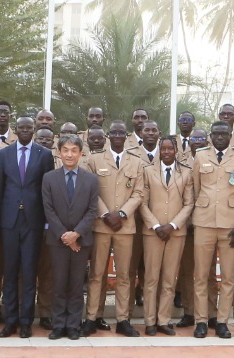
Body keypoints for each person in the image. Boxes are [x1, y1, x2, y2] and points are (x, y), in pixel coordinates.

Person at [191, 122, 234, 339]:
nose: (220, 137)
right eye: (216, 134)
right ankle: (201, 321)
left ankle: (221, 322)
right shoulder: (200, 156)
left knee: (228, 277)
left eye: (224, 134)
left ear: (231, 135)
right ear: (210, 136)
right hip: (204, 222)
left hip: (231, 226)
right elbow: (196, 189)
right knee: (201, 275)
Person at [85, 121, 144, 336]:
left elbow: (138, 193)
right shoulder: (94, 159)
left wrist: (121, 214)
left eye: (121, 132)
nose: (117, 135)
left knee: (124, 275)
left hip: (125, 226)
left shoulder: (136, 162)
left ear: (126, 136)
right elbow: (91, 190)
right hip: (101, 225)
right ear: (108, 135)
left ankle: (122, 319)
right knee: (96, 274)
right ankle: (92, 317)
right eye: (114, 132)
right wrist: (105, 214)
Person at [0, 116, 54, 338]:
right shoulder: (4, 154)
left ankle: (27, 321)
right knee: (9, 273)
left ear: (34, 129)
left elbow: (47, 190)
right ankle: (10, 320)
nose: (25, 131)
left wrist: (47, 221)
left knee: (30, 273)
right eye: (21, 128)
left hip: (34, 221)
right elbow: (0, 189)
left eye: (29, 128)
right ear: (15, 129)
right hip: (9, 221)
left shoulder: (45, 155)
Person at [42, 135, 97, 340]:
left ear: (81, 154)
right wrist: (65, 235)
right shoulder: (49, 178)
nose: (70, 154)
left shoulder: (91, 179)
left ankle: (73, 324)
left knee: (75, 284)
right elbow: (48, 209)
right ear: (59, 153)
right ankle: (58, 324)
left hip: (81, 240)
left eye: (74, 150)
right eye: (65, 150)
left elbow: (92, 211)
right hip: (57, 240)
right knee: (58, 283)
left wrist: (76, 234)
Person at [139, 136, 193, 336]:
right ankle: (150, 321)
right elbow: (142, 202)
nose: (168, 152)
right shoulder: (147, 171)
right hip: (152, 233)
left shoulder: (186, 172)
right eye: (164, 149)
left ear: (176, 150)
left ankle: (163, 320)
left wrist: (172, 225)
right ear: (159, 151)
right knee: (151, 278)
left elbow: (189, 203)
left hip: (175, 233)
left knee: (169, 279)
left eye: (171, 148)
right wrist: (155, 225)